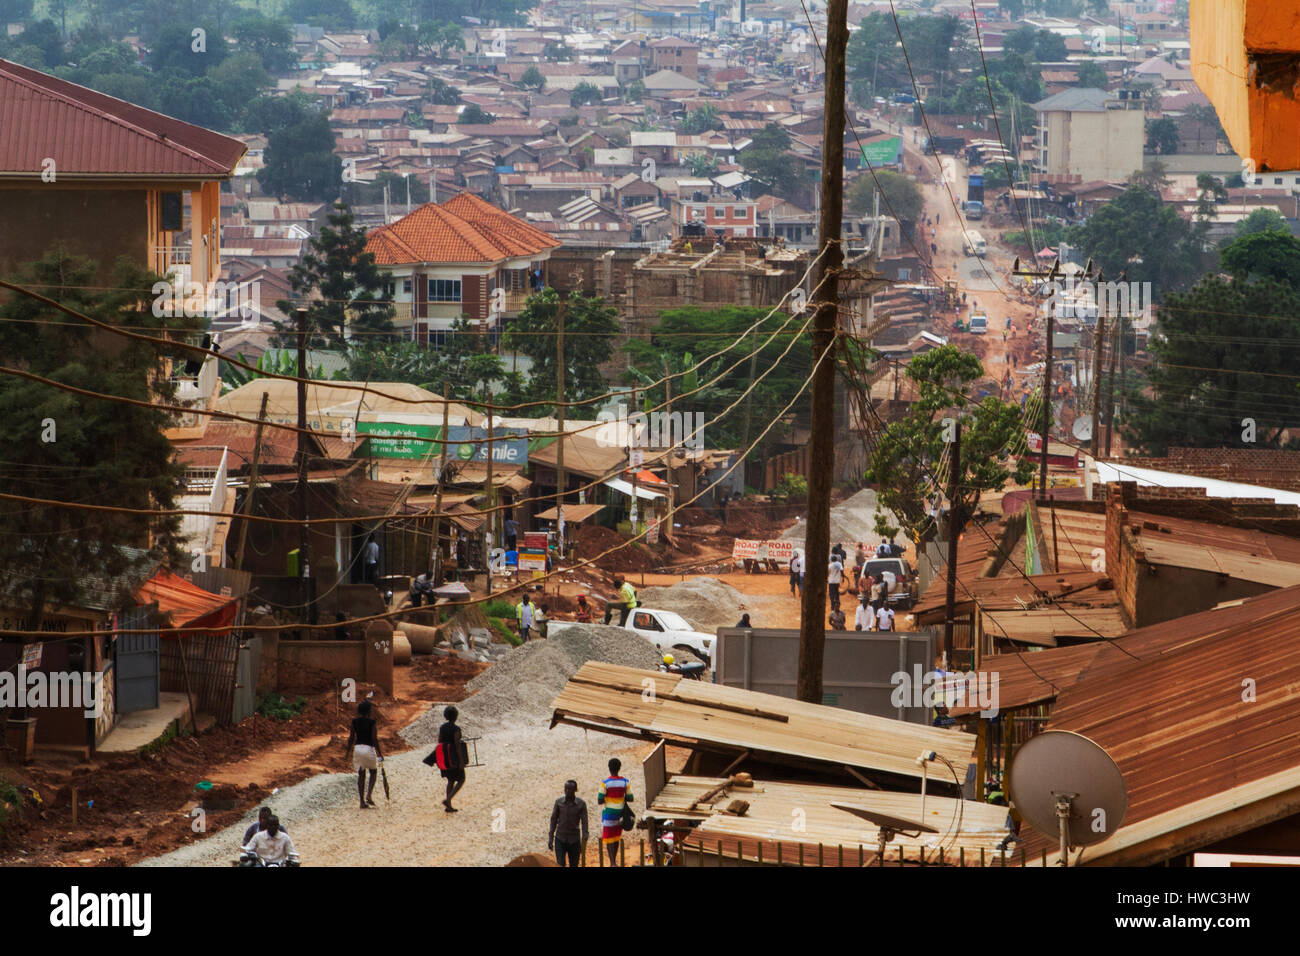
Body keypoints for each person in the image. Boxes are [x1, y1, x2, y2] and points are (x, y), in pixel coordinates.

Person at [345, 700, 383, 809]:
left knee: (361, 775)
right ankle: (369, 795)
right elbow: (374, 739)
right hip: (368, 749)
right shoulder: (372, 722)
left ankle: (361, 802)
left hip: (357, 749)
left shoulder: (354, 722)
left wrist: (347, 752)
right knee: (373, 772)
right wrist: (379, 754)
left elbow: (351, 738)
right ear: (369, 711)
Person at [597, 757, 633, 867]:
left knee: (608, 838)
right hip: (620, 814)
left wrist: (608, 798)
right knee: (616, 837)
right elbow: (631, 798)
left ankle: (612, 863)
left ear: (609, 768)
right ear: (619, 768)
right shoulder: (625, 782)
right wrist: (620, 797)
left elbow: (599, 800)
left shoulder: (605, 783)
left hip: (609, 814)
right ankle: (615, 862)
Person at [548, 779, 589, 867]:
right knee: (560, 864)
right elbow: (553, 820)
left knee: (574, 864)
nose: (567, 791)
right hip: (560, 838)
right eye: (566, 789)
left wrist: (585, 835)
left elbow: (584, 821)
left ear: (575, 790)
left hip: (574, 840)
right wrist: (550, 837)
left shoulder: (581, 804)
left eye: (569, 789)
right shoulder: (559, 802)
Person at [438, 705, 466, 812]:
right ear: (456, 717)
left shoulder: (442, 728)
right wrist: (461, 761)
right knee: (461, 779)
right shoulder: (456, 729)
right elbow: (457, 746)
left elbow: (439, 741)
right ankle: (448, 799)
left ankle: (449, 806)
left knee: (450, 780)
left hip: (445, 758)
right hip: (454, 758)